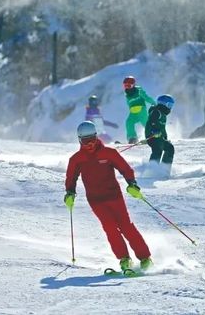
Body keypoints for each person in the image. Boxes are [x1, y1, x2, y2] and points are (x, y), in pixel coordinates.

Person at [65, 121, 153, 272]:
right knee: (110, 228)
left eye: (92, 140)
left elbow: (125, 169)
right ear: (80, 140)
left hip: (114, 196)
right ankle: (124, 258)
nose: (89, 144)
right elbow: (71, 177)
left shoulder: (109, 153)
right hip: (95, 200)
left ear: (96, 136)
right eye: (86, 141)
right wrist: (70, 193)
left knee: (126, 226)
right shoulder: (77, 159)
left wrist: (132, 183)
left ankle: (145, 257)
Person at [145, 95, 175, 174]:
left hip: (160, 137)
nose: (170, 108)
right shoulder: (156, 111)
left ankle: (164, 169)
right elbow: (152, 121)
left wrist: (165, 137)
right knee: (158, 149)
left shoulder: (163, 115)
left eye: (171, 106)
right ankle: (151, 171)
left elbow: (162, 128)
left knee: (170, 148)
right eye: (169, 105)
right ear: (163, 104)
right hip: (152, 136)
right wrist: (154, 130)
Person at [123, 76, 156, 144]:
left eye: (129, 86)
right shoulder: (127, 94)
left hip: (141, 111)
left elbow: (146, 98)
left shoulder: (139, 91)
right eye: (125, 86)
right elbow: (129, 103)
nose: (127, 88)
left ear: (133, 85)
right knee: (129, 122)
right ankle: (132, 138)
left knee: (146, 123)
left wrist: (153, 103)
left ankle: (152, 136)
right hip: (133, 113)